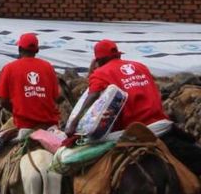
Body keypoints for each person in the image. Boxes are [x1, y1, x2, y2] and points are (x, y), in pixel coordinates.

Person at [81, 39, 201, 175]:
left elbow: (92, 96)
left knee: (85, 160)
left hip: (130, 132)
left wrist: (73, 123)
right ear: (119, 55)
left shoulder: (100, 73)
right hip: (161, 127)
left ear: (98, 61)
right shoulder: (141, 66)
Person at [0, 33, 61, 139]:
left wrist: (18, 111)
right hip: (48, 126)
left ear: (19, 49)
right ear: (37, 50)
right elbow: (56, 97)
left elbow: (3, 101)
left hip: (24, 125)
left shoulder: (9, 68)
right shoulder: (48, 67)